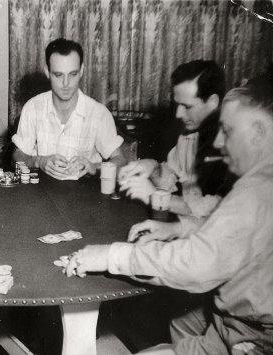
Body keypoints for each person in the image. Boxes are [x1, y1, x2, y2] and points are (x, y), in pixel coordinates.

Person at [65, 82, 273, 354]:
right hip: (241, 322)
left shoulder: (255, 190)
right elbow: (245, 234)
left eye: (228, 130)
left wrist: (112, 256)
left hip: (255, 337)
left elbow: (197, 264)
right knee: (181, 321)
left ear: (258, 133)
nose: (219, 141)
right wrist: (179, 228)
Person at [119, 60, 233, 219]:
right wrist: (150, 166)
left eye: (187, 106)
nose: (179, 114)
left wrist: (155, 196)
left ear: (212, 102)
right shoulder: (189, 134)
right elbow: (172, 176)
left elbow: (216, 210)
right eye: (177, 105)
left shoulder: (235, 145)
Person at [12, 38, 126, 180]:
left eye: (72, 74)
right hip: (42, 192)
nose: (66, 83)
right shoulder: (32, 107)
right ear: (47, 72)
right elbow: (18, 156)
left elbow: (120, 161)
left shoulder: (99, 113)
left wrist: (93, 167)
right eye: (58, 75)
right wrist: (39, 161)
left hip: (85, 194)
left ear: (82, 70)